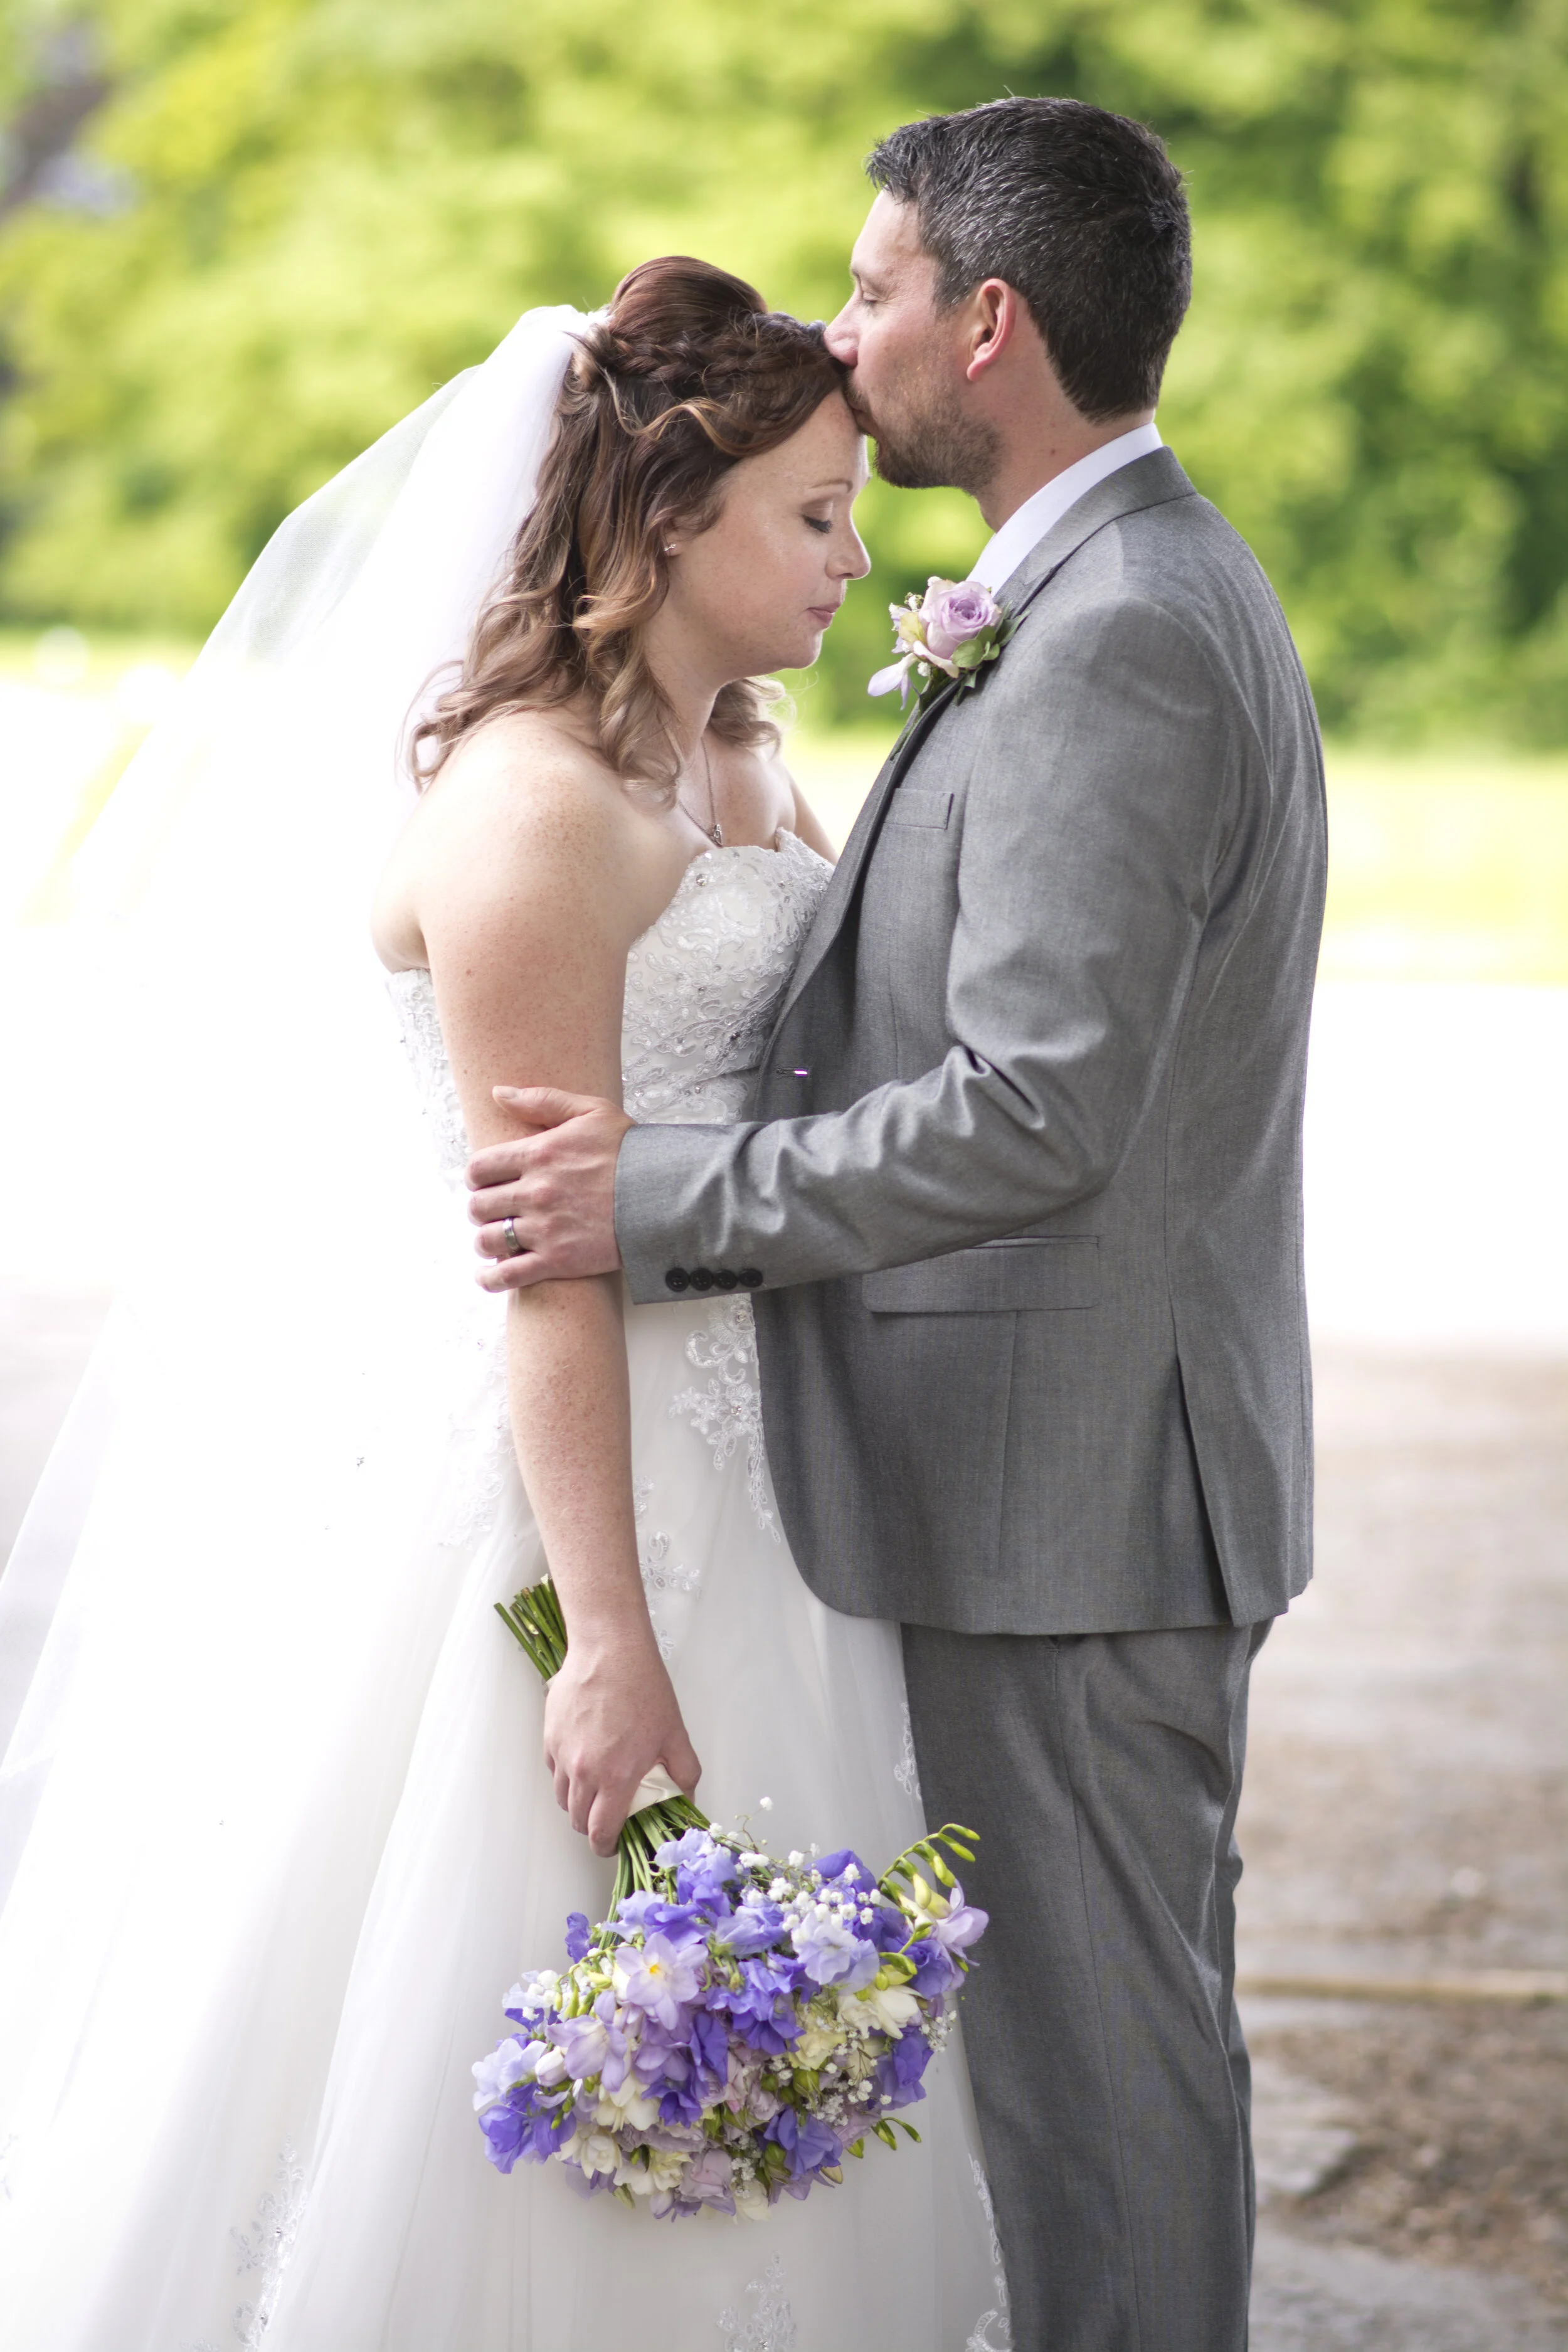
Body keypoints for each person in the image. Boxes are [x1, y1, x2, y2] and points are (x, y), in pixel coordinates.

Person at [0, 264, 1005, 2348]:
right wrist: (607, 1640)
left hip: (752, 1452)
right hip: (558, 1483)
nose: (855, 557)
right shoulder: (535, 810)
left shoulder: (735, 761)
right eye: (812, 516)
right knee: (510, 1935)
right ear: (668, 519)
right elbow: (546, 1249)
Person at [464, 100, 1328, 2352]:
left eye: (872, 290)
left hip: (1076, 1501)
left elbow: (1037, 1109)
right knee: (1083, 2083)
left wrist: (651, 1197)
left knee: (1099, 2103)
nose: (841, 337)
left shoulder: (1115, 628)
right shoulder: (1105, 593)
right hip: (1044, 1484)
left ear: (991, 321)